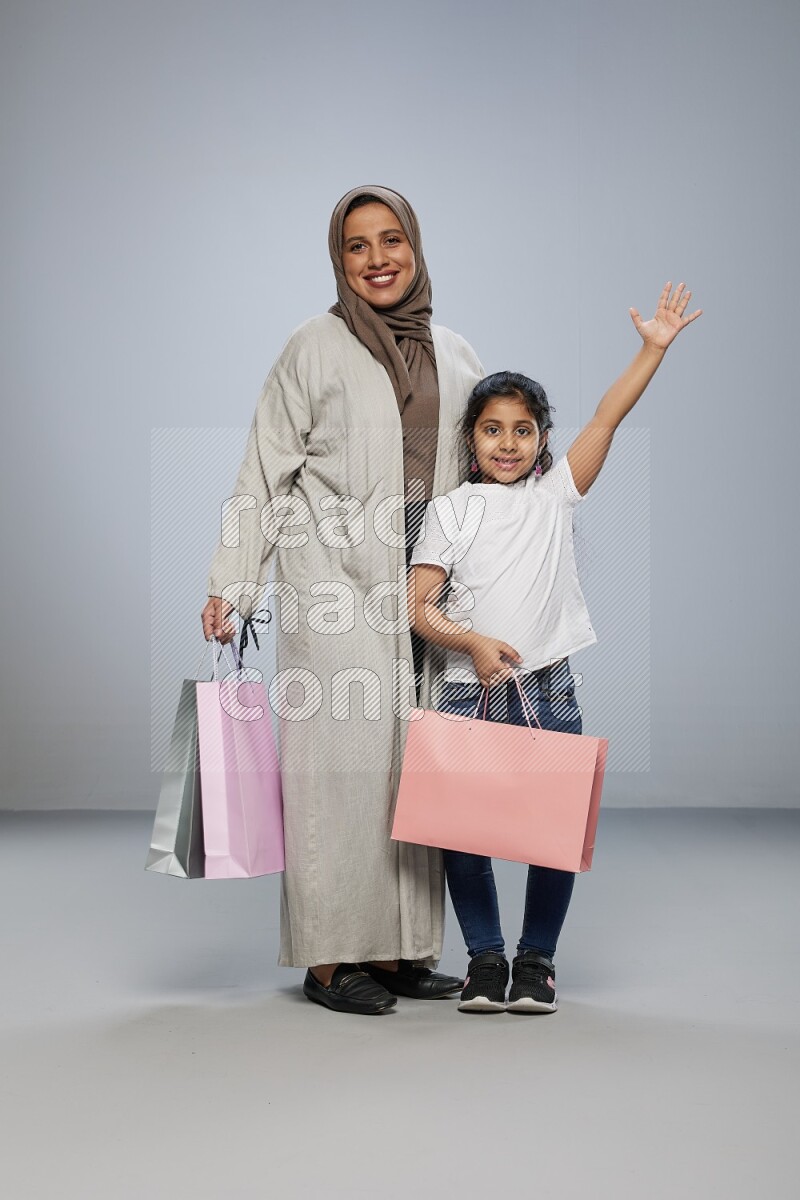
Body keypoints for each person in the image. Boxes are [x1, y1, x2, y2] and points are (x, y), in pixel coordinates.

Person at [201, 186, 485, 1014]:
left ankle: (398, 951)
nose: (377, 259)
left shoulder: (456, 353)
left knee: (413, 774)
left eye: (391, 240)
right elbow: (263, 470)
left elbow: (481, 478)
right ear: (339, 260)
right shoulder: (312, 347)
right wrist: (232, 583)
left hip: (425, 593)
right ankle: (329, 960)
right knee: (336, 775)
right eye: (357, 246)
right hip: (333, 581)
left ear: (416, 247)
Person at [408, 282, 702, 1013]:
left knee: (551, 831)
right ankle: (484, 960)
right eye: (492, 429)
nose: (507, 443)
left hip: (546, 687)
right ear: (471, 438)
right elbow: (417, 607)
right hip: (463, 688)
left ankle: (536, 962)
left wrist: (651, 349)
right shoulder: (451, 511)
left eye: (523, 430)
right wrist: (470, 640)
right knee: (463, 835)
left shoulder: (555, 496)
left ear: (542, 439)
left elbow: (608, 416)